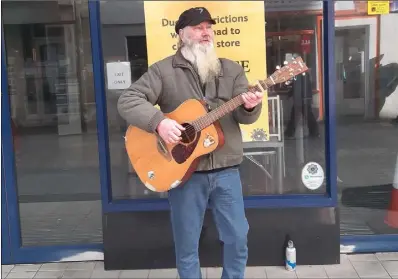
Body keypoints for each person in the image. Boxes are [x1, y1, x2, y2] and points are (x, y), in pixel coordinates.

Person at [117, 7, 264, 278]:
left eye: (209, 27)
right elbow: (128, 100)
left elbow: (245, 116)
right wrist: (159, 122)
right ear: (182, 34)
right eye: (198, 27)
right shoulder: (162, 71)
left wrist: (252, 106)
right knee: (187, 246)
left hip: (226, 169)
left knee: (237, 238)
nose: (205, 32)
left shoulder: (231, 69)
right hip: (184, 173)